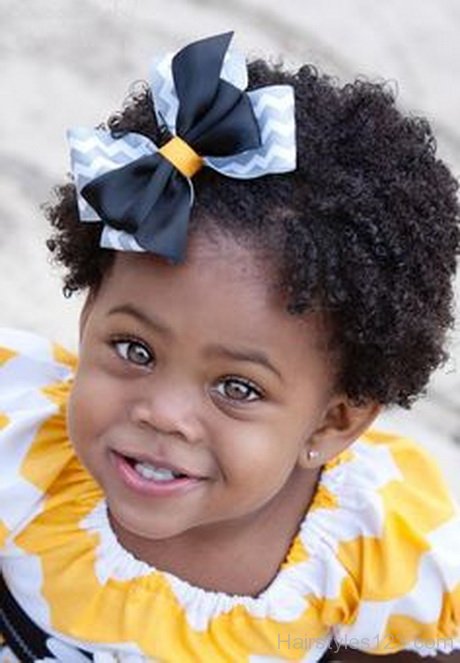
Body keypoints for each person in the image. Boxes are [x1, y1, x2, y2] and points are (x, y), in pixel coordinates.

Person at [0, 32, 459, 662]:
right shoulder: (16, 445)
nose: (161, 412)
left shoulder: (375, 550)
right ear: (87, 320)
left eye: (237, 388)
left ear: (334, 422)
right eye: (134, 349)